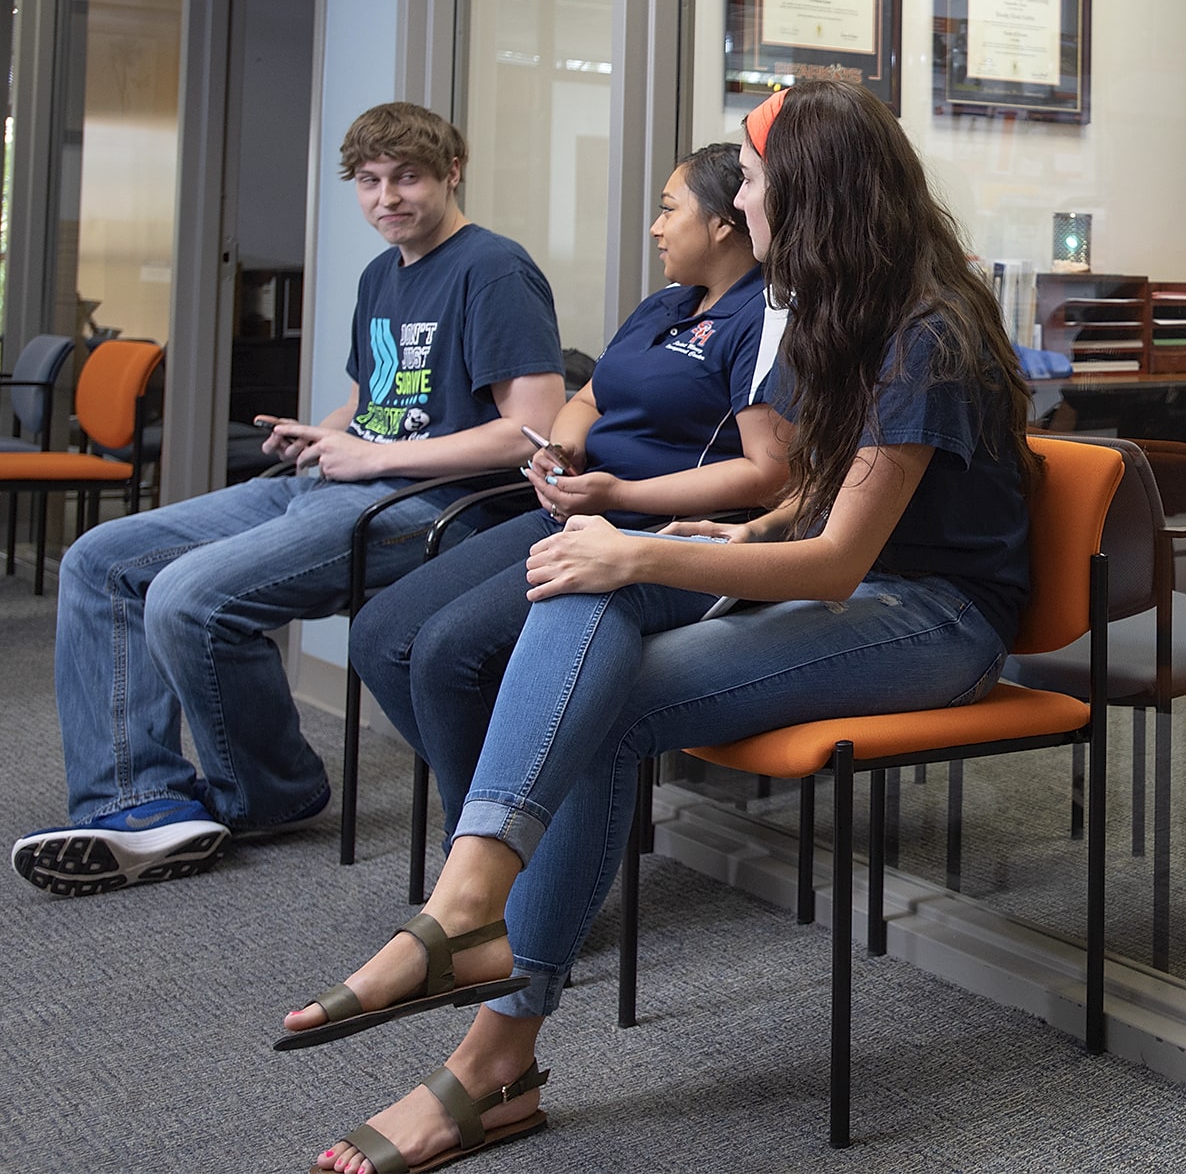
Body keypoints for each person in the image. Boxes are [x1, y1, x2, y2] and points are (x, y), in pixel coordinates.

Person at [281, 79, 1038, 1174]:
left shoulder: (925, 332)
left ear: (809, 193)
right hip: (850, 585)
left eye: (758, 173)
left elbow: (839, 563)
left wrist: (645, 546)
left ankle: (487, 1003)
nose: (746, 191)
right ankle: (477, 944)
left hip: (932, 619)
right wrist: (707, 532)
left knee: (603, 649)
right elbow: (814, 497)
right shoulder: (843, 304)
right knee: (590, 609)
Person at [11, 103, 566, 898]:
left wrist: (371, 454)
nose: (387, 199)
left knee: (189, 597)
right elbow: (369, 400)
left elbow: (530, 434)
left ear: (452, 172)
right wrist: (320, 435)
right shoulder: (384, 273)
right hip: (339, 480)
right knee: (102, 560)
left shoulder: (494, 269)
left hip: (430, 511)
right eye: (370, 182)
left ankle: (270, 794)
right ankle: (135, 801)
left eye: (407, 178)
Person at [349, 144, 789, 838]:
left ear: (723, 225)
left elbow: (769, 473)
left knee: (445, 656)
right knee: (380, 637)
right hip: (581, 512)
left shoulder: (762, 321)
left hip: (660, 535)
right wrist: (565, 445)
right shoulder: (663, 305)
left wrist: (619, 492)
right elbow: (588, 395)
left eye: (670, 209)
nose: (656, 227)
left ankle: (492, 863)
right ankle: (494, 839)